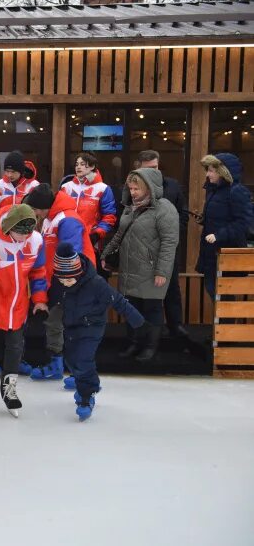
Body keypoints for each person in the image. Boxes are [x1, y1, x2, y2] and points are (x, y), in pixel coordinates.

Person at [50, 243, 146, 421]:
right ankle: (89, 382)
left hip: (92, 326)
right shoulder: (62, 281)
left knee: (82, 359)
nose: (65, 283)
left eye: (69, 280)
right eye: (62, 279)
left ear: (78, 273)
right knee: (71, 359)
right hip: (71, 326)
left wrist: (138, 321)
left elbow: (118, 301)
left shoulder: (96, 284)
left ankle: (86, 397)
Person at [102, 169, 179, 363]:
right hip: (129, 268)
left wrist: (162, 271)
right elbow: (119, 235)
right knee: (131, 308)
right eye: (131, 188)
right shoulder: (131, 207)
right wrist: (106, 255)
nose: (133, 192)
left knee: (152, 309)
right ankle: (135, 342)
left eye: (137, 188)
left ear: (149, 188)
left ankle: (151, 346)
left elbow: (170, 243)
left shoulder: (165, 209)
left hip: (152, 269)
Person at [22, 183, 95, 384]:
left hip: (75, 281)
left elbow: (72, 255)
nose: (34, 213)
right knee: (54, 322)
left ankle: (80, 372)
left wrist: (66, 286)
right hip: (60, 279)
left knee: (71, 325)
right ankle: (57, 365)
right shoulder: (50, 219)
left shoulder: (67, 220)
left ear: (44, 206)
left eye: (35, 208)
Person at [0, 204, 48, 417]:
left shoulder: (36, 241)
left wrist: (39, 299)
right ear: (8, 227)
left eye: (27, 234)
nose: (23, 239)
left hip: (17, 307)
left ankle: (9, 389)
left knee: (15, 347)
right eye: (19, 233)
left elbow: (38, 272)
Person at [137, 150, 189, 339]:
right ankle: (147, 331)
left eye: (155, 167)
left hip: (168, 247)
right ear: (139, 167)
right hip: (142, 248)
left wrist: (172, 234)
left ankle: (176, 326)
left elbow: (183, 214)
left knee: (171, 287)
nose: (153, 171)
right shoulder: (133, 187)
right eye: (148, 168)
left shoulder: (173, 186)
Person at [195, 154, 254, 299]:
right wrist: (204, 219)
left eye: (211, 170)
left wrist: (218, 235)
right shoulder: (214, 191)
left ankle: (224, 322)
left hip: (227, 254)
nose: (207, 174)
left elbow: (244, 223)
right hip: (211, 253)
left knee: (223, 296)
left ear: (223, 171)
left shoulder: (237, 191)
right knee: (213, 291)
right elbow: (222, 217)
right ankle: (220, 322)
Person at [59, 153, 117, 260]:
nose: (78, 167)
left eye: (82, 164)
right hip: (67, 237)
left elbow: (109, 216)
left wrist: (97, 234)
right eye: (76, 164)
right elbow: (59, 212)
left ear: (92, 166)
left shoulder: (102, 188)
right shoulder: (66, 187)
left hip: (90, 239)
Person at [0, 151, 40, 221]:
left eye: (13, 172)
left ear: (21, 171)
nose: (9, 175)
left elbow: (38, 211)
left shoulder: (33, 186)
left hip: (26, 229)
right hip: (2, 228)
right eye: (7, 171)